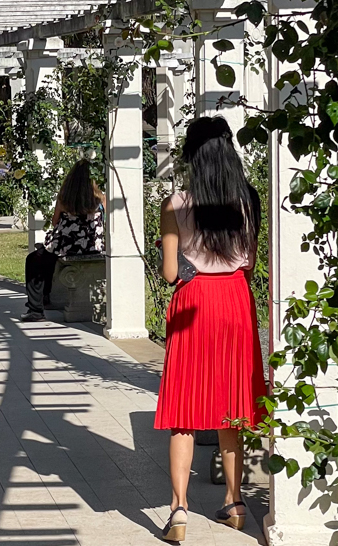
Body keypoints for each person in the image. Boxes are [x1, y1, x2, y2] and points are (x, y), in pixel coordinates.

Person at [155, 116, 266, 542]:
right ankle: (235, 502)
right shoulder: (248, 200)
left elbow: (169, 273)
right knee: (233, 403)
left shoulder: (176, 204)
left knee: (184, 409)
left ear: (192, 155)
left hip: (195, 300)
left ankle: (179, 510)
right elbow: (250, 263)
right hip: (235, 299)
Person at [20, 159, 105, 322]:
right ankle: (46, 298)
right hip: (93, 247)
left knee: (34, 259)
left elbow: (54, 222)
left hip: (66, 247)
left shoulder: (64, 199)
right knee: (46, 257)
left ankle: (36, 308)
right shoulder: (101, 199)